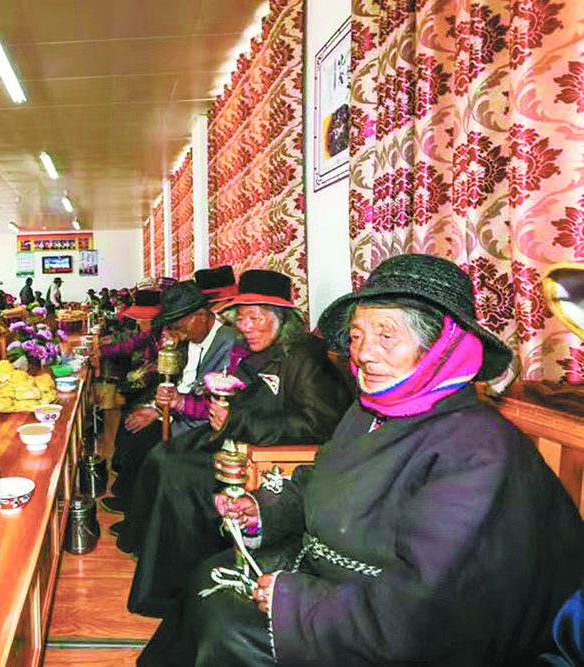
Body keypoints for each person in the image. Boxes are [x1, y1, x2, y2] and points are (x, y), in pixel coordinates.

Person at [140, 254, 584, 666]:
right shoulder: (370, 410)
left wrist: (294, 602)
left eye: (386, 336)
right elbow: (322, 478)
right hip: (341, 577)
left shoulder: (477, 451)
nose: (363, 353)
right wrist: (261, 511)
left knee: (230, 629)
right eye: (357, 336)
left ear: (443, 347)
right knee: (209, 576)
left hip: (406, 623)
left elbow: (428, 606)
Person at [123, 269, 354, 618]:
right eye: (242, 317)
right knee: (163, 455)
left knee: (180, 474)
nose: (246, 326)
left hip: (265, 456)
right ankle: (154, 558)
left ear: (281, 317)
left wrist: (237, 421)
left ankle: (177, 588)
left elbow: (317, 426)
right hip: (237, 439)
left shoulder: (304, 356)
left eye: (255, 317)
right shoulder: (258, 350)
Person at [102, 279, 242, 519]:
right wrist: (156, 409)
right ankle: (133, 505)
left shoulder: (227, 342)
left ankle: (139, 515)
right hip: (180, 411)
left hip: (204, 425)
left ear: (201, 315)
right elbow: (180, 381)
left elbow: (213, 402)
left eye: (180, 327)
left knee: (149, 445)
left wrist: (165, 409)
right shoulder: (193, 339)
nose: (179, 335)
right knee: (136, 426)